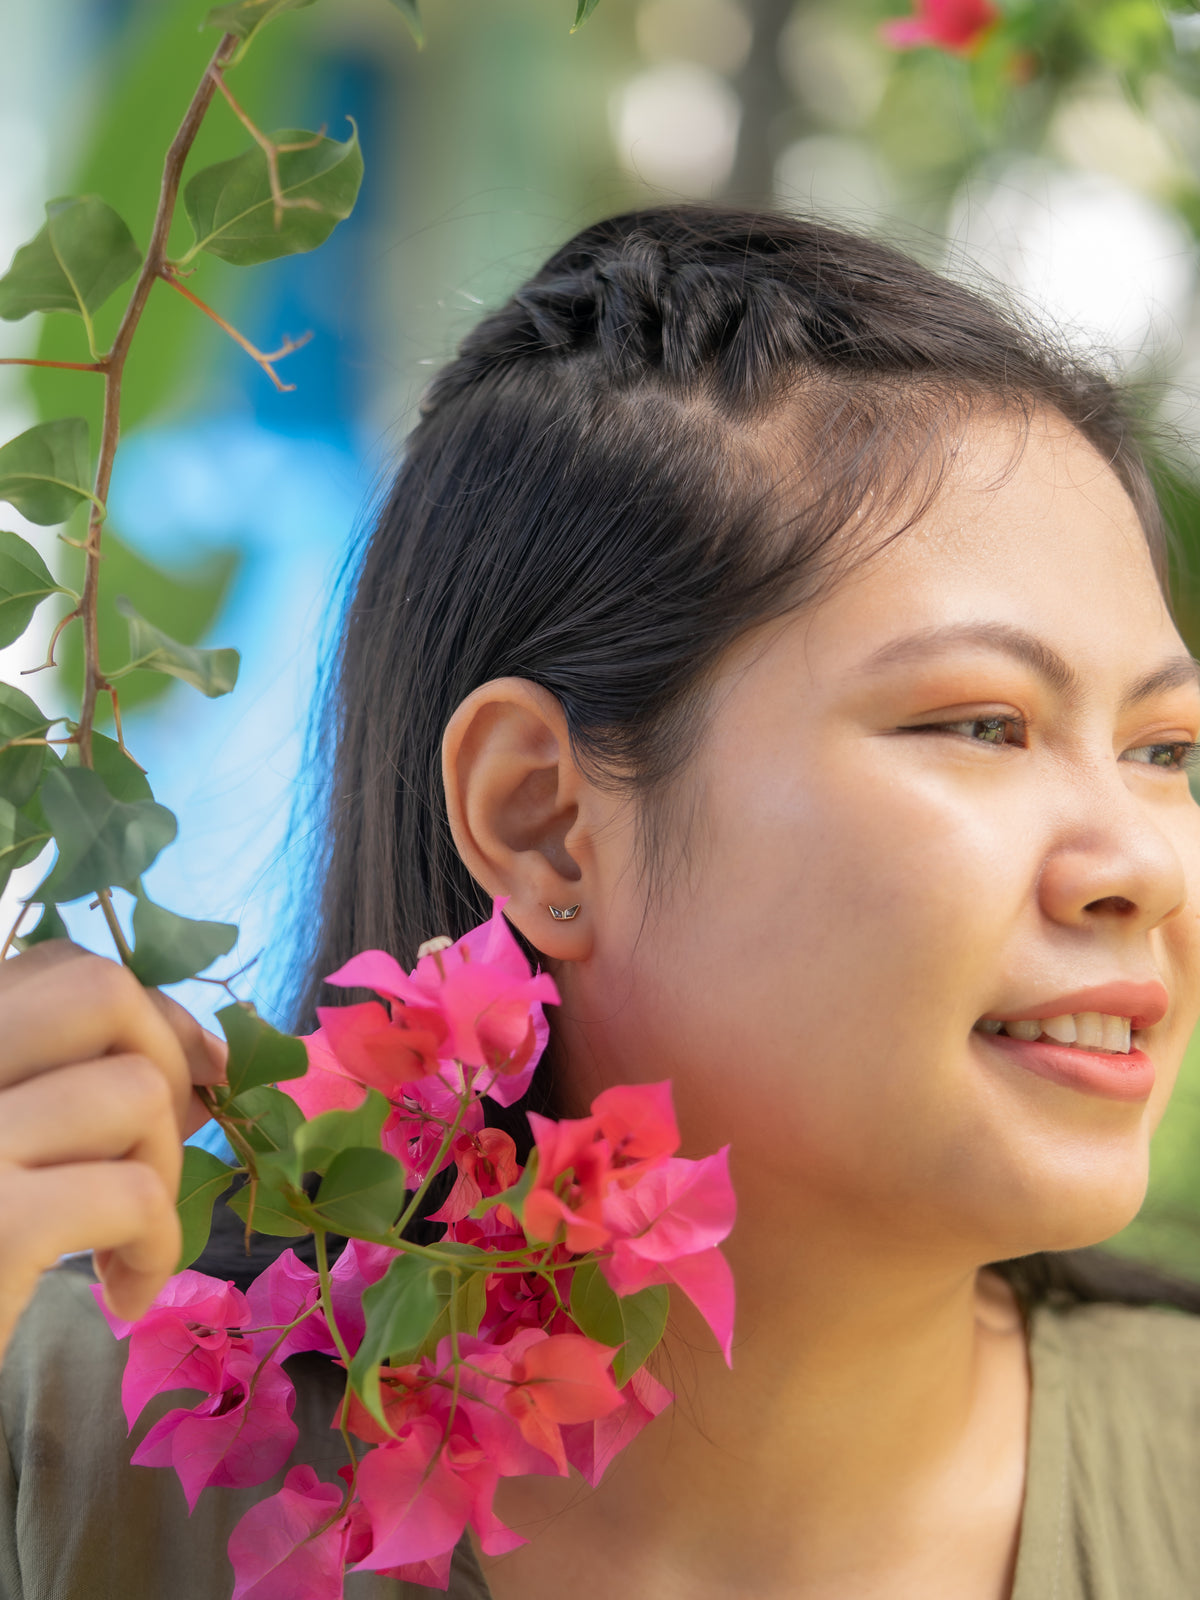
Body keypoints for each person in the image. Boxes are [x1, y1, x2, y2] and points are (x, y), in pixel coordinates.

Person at [3, 203, 1200, 1600]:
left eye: (1166, 750)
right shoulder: (63, 1455)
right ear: (545, 823)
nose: (1143, 867)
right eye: (982, 725)